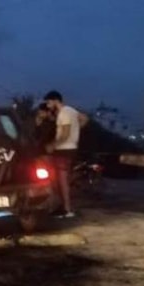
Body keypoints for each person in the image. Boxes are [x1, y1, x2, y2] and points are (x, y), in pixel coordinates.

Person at [44, 90, 88, 218]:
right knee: (61, 179)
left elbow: (65, 134)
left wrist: (52, 145)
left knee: (61, 180)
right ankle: (64, 207)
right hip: (71, 148)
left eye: (49, 102)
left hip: (64, 149)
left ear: (55, 100)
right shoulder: (71, 110)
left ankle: (66, 209)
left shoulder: (64, 113)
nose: (47, 105)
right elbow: (85, 119)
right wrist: (77, 129)